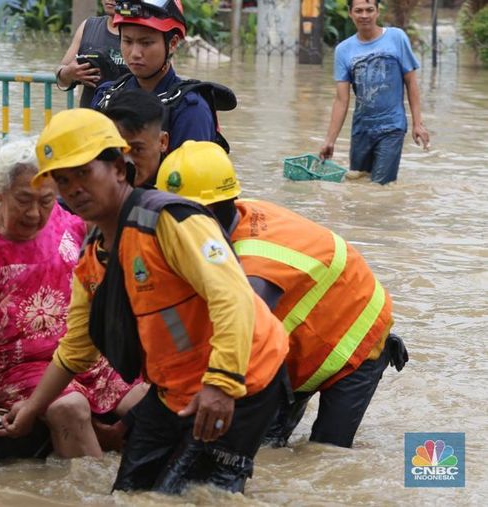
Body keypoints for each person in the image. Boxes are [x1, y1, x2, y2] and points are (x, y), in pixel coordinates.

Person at [0, 109, 290, 495]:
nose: (74, 189)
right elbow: (77, 349)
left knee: (197, 497)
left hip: (244, 378)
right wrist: (33, 408)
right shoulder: (92, 258)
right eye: (63, 180)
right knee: (129, 495)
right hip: (172, 390)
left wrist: (222, 384)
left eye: (84, 172)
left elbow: (231, 296)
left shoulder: (169, 221)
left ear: (119, 167)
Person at [155, 140, 409, 448]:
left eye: (176, 218)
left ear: (204, 212)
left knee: (325, 454)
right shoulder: (236, 214)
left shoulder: (254, 270)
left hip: (358, 339)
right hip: (305, 337)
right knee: (269, 448)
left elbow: (237, 340)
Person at [0, 139, 145, 457]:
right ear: (0, 193)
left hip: (78, 353)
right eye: (23, 200)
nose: (34, 213)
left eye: (45, 201)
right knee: (70, 406)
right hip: (13, 365)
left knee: (146, 394)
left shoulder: (66, 222)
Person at [91, 0, 235, 153]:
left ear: (172, 44)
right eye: (127, 41)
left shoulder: (191, 109)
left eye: (146, 43)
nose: (134, 53)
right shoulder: (106, 96)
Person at [319, 0, 429, 184]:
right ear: (350, 13)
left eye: (369, 10)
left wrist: (418, 123)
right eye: (359, 10)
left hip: (392, 127)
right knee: (357, 181)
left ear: (377, 11)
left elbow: (411, 83)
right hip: (361, 129)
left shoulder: (397, 38)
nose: (364, 15)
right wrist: (330, 140)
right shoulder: (343, 50)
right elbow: (341, 99)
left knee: (380, 186)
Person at [55, 0, 128, 108]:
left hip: (128, 119)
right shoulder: (88, 26)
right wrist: (70, 72)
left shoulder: (142, 31)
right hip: (91, 118)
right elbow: (61, 78)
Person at [103, 88, 168, 188]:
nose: (126, 160)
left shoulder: (181, 187)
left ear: (162, 142)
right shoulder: (96, 184)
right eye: (118, 149)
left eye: (137, 150)